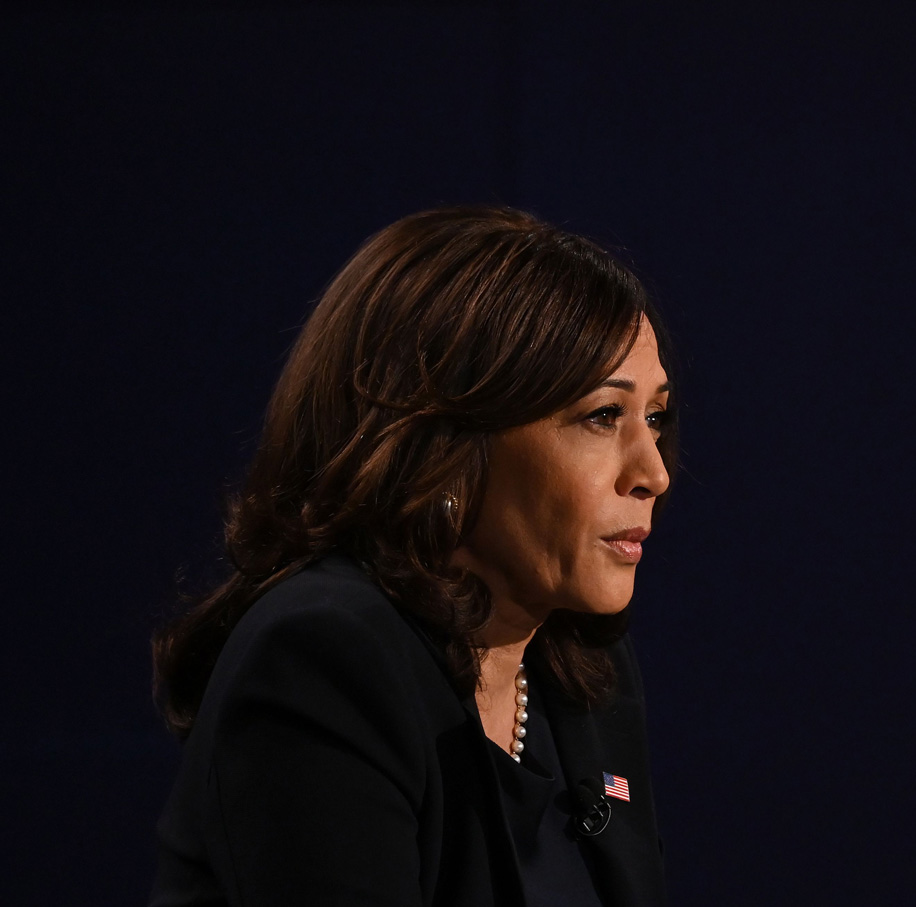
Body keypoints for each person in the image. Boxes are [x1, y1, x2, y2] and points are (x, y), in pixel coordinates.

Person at [149, 207, 675, 907]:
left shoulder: (579, 662)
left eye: (655, 418)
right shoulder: (327, 658)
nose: (653, 472)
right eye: (602, 416)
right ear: (448, 438)